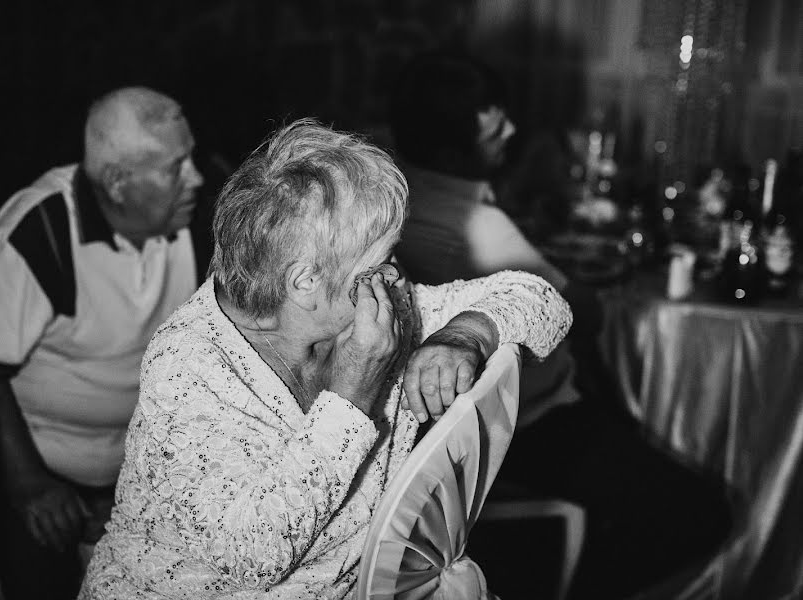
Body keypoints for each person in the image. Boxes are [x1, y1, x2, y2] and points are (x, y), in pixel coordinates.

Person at [79, 119, 572, 599]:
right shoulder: (187, 367)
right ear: (305, 282)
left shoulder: (378, 308)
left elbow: (541, 298)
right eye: (381, 262)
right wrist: (353, 394)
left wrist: (466, 333)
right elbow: (255, 556)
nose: (397, 276)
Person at [390, 51, 733, 599]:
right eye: (494, 118)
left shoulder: (393, 193)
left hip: (458, 426)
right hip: (530, 423)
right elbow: (579, 311)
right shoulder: (478, 224)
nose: (512, 128)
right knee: (701, 510)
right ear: (453, 138)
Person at [0, 87, 210, 600]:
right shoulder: (40, 233)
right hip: (46, 474)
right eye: (176, 166)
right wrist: (29, 484)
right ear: (116, 182)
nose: (196, 178)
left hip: (147, 471)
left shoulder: (197, 225)